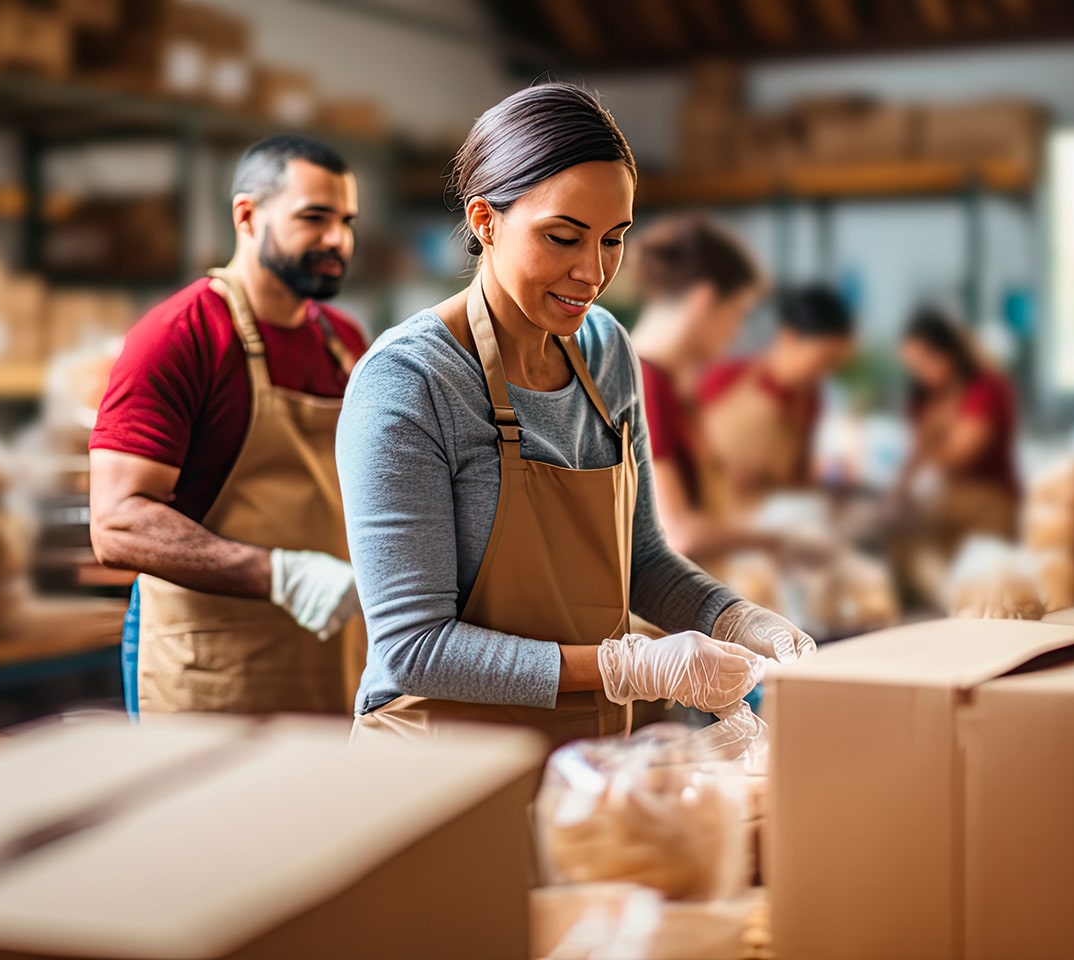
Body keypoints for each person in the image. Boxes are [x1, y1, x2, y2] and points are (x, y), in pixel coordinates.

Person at [339, 83, 813, 748]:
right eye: (563, 238)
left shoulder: (607, 350)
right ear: (484, 221)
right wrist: (630, 664)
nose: (592, 272)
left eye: (614, 240)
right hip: (439, 768)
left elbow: (641, 560)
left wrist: (733, 619)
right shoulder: (410, 382)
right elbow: (414, 648)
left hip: (583, 753)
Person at [90, 135, 369, 718]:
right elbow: (117, 524)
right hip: (213, 669)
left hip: (333, 656)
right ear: (247, 215)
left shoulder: (345, 343)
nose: (337, 240)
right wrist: (279, 575)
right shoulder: (180, 335)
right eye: (314, 218)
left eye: (346, 221)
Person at [627, 214, 773, 565]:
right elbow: (677, 533)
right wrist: (783, 541)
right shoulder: (641, 383)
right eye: (737, 313)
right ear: (704, 301)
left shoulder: (671, 384)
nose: (736, 332)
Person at [697, 284, 856, 507]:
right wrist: (721, 469)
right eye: (823, 360)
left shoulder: (810, 401)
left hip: (762, 524)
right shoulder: (723, 378)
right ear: (788, 336)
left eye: (834, 365)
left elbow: (796, 476)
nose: (825, 373)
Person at [895, 306, 1021, 540]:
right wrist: (895, 497)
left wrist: (927, 444)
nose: (919, 373)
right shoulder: (924, 397)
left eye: (924, 363)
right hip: (945, 503)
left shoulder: (987, 389)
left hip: (990, 505)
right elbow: (915, 457)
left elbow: (958, 459)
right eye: (913, 367)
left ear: (948, 353)